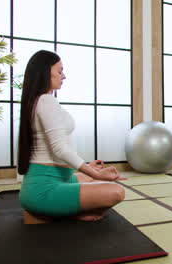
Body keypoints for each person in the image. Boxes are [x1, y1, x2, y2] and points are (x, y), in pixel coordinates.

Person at [18, 50, 126, 223]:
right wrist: (98, 176)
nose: (64, 76)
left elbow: (56, 150)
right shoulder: (46, 101)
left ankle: (57, 209)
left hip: (57, 178)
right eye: (59, 71)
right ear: (45, 72)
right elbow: (60, 149)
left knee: (91, 174)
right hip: (44, 189)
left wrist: (90, 169)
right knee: (117, 191)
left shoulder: (38, 101)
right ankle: (58, 213)